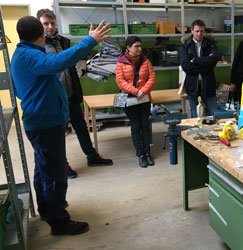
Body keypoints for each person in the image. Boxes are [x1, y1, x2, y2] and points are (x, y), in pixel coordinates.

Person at [10, 15, 111, 236]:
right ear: (40, 33)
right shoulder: (29, 55)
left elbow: (20, 89)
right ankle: (59, 222)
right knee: (54, 174)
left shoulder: (23, 54)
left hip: (42, 121)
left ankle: (47, 209)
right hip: (45, 124)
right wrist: (89, 41)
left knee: (43, 169)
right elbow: (57, 62)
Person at [37, 9, 113, 180]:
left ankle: (92, 156)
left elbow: (72, 61)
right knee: (59, 134)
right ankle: (62, 164)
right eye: (45, 24)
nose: (50, 27)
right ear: (39, 25)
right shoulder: (38, 47)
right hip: (54, 99)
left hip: (70, 93)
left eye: (53, 23)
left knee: (81, 127)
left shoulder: (63, 41)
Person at [115, 36, 156, 168]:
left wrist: (143, 91)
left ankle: (148, 153)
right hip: (130, 99)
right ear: (128, 47)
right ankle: (140, 155)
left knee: (145, 126)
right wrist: (135, 91)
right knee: (135, 126)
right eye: (136, 46)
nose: (139, 49)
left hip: (144, 98)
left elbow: (152, 77)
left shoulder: (146, 61)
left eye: (140, 46)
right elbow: (120, 81)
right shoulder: (121, 62)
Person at [179, 19, 219, 117]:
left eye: (201, 31)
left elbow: (213, 61)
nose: (199, 34)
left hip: (208, 85)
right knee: (195, 116)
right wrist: (205, 66)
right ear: (192, 31)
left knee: (214, 114)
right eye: (197, 31)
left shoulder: (211, 44)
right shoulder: (185, 47)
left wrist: (196, 60)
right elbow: (186, 66)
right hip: (192, 86)